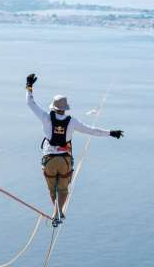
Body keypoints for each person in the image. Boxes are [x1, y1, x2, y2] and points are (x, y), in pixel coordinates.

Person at [25, 73, 123, 226]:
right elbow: (92, 130)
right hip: (64, 160)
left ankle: (56, 212)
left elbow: (30, 103)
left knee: (53, 190)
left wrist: (29, 86)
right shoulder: (72, 122)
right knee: (63, 190)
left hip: (49, 160)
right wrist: (111, 133)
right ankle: (60, 212)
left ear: (53, 107)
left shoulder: (45, 117)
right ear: (65, 109)